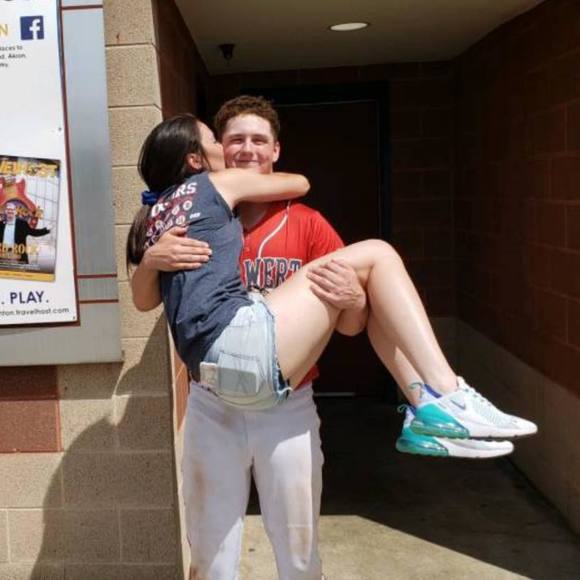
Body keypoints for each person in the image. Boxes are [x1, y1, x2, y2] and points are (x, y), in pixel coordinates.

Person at [127, 113, 537, 579]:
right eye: (233, 139)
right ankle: (441, 397)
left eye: (259, 139)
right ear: (208, 153)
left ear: (276, 150)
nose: (246, 149)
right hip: (212, 403)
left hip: (285, 404)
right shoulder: (200, 205)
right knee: (209, 556)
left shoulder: (305, 223)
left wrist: (354, 300)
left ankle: (431, 403)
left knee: (300, 554)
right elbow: (144, 300)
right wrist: (152, 261)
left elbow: (352, 324)